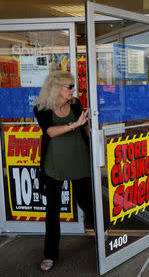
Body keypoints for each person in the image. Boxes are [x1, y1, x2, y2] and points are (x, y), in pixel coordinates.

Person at [34, 71, 94, 272]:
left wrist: (89, 131)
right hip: (54, 164)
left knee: (85, 200)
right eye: (69, 86)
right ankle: (50, 254)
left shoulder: (76, 104)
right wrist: (74, 124)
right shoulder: (42, 108)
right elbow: (50, 131)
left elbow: (84, 129)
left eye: (73, 86)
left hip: (79, 158)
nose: (73, 90)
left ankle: (101, 230)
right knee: (52, 209)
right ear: (56, 88)